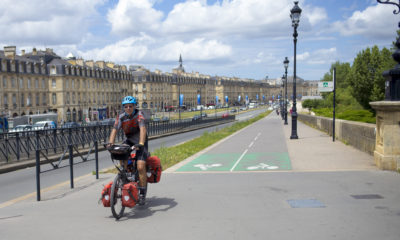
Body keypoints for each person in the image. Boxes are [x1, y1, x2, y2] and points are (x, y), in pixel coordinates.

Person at [108, 96, 149, 205]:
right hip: (129, 140)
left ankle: (142, 193)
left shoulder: (139, 115)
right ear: (123, 107)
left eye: (131, 106)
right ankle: (124, 175)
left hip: (141, 141)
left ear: (134, 106)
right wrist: (110, 143)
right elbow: (114, 129)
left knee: (140, 166)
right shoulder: (121, 116)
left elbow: (143, 129)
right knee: (120, 153)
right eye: (126, 106)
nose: (128, 108)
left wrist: (140, 144)